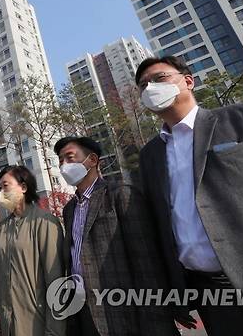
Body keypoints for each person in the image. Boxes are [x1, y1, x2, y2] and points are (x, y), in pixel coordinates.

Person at [136, 55, 243, 335]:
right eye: (143, 86)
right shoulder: (150, 155)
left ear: (188, 81)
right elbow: (161, 225)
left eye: (159, 79)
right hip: (210, 293)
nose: (150, 88)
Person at [55, 136, 179, 335]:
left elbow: (147, 263)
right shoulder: (69, 209)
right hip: (82, 309)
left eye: (69, 158)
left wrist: (157, 317)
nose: (63, 166)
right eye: (60, 161)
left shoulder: (121, 194)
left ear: (93, 160)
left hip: (122, 310)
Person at [0, 165, 65, 336]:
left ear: (24, 187)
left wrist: (55, 329)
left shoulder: (46, 222)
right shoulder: (1, 229)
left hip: (37, 322)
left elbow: (55, 279)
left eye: (6, 186)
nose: (1, 192)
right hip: (8, 323)